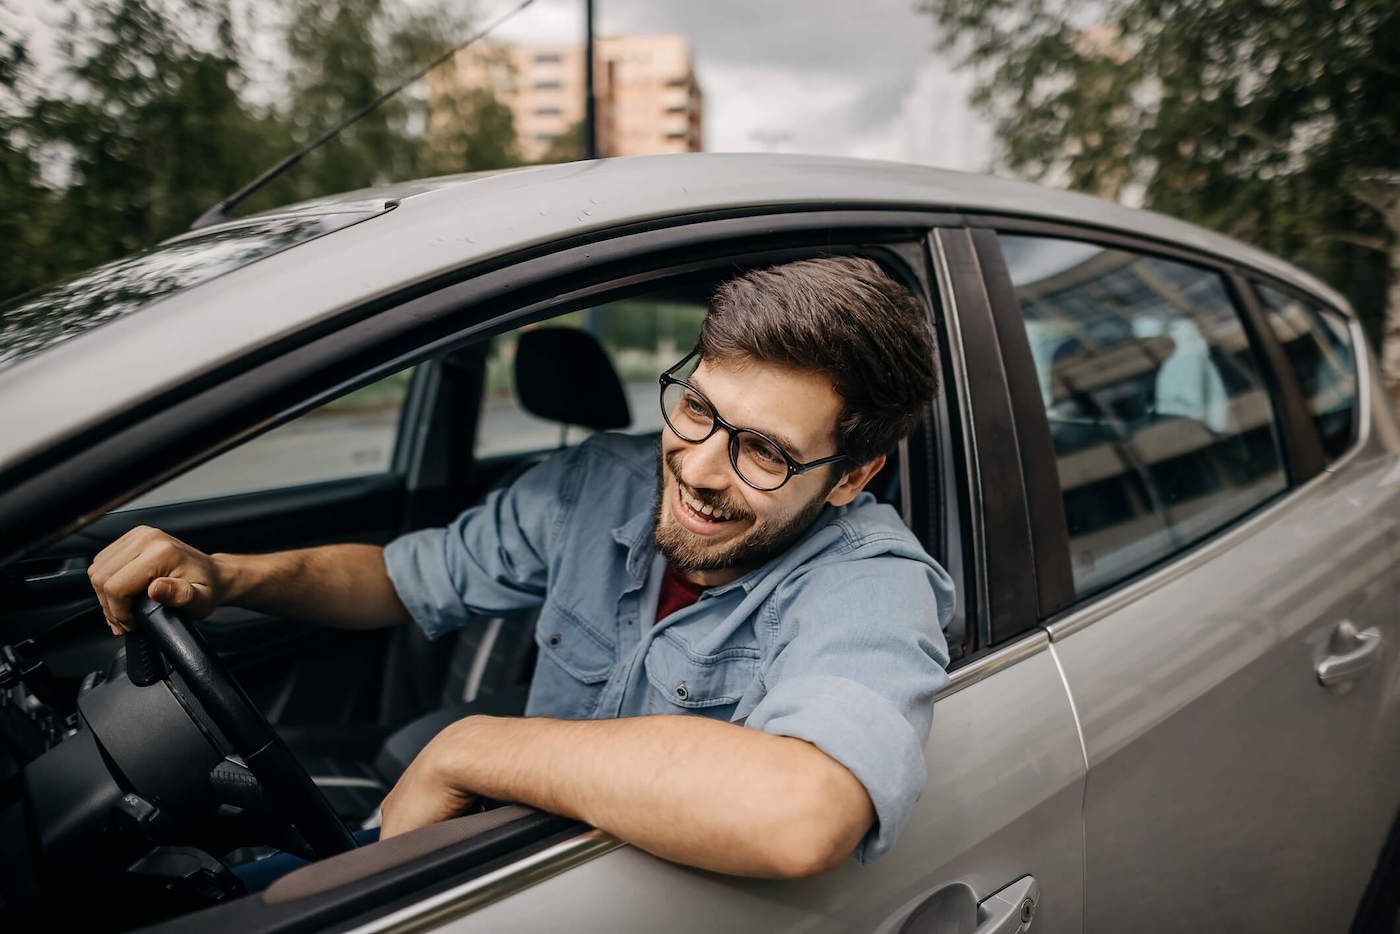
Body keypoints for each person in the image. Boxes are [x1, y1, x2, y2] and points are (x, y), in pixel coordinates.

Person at [87, 256, 955, 879]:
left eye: (762, 452)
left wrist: (474, 747)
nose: (695, 467)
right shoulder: (597, 483)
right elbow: (401, 578)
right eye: (697, 409)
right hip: (486, 859)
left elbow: (803, 814)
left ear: (851, 477)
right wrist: (228, 575)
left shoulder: (873, 584)